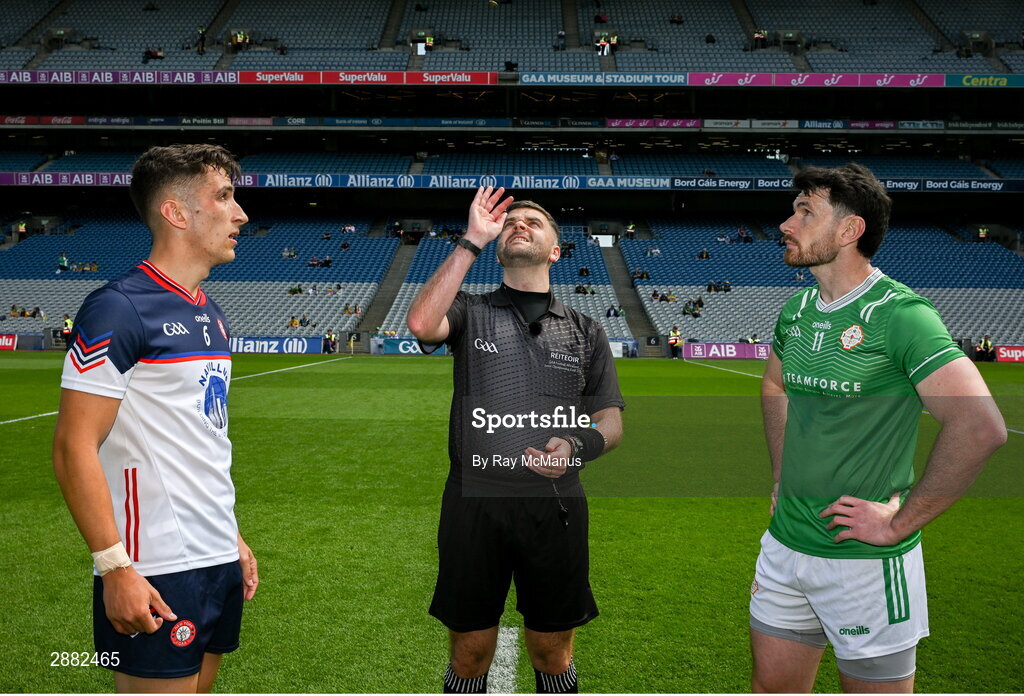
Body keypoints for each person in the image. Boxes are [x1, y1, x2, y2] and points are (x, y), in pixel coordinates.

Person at [752, 163, 1006, 693]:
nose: (786, 223)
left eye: (805, 212)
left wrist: (898, 524)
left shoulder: (902, 315)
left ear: (849, 231)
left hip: (862, 563)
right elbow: (774, 388)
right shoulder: (797, 308)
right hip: (783, 548)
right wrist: (783, 473)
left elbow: (980, 425)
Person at [52, 144, 259, 694]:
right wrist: (114, 567)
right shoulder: (119, 307)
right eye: (224, 197)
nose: (241, 214)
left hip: (215, 556)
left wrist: (230, 536)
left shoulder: (209, 310)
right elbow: (74, 446)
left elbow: (199, 435)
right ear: (175, 212)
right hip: (156, 564)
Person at [407, 187, 625, 695]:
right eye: (510, 222)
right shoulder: (469, 309)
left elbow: (610, 421)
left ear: (555, 250)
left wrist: (576, 447)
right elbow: (421, 323)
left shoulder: (586, 330)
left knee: (553, 651)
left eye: (533, 221)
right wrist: (471, 240)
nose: (519, 224)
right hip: (473, 500)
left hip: (555, 503)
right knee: (469, 654)